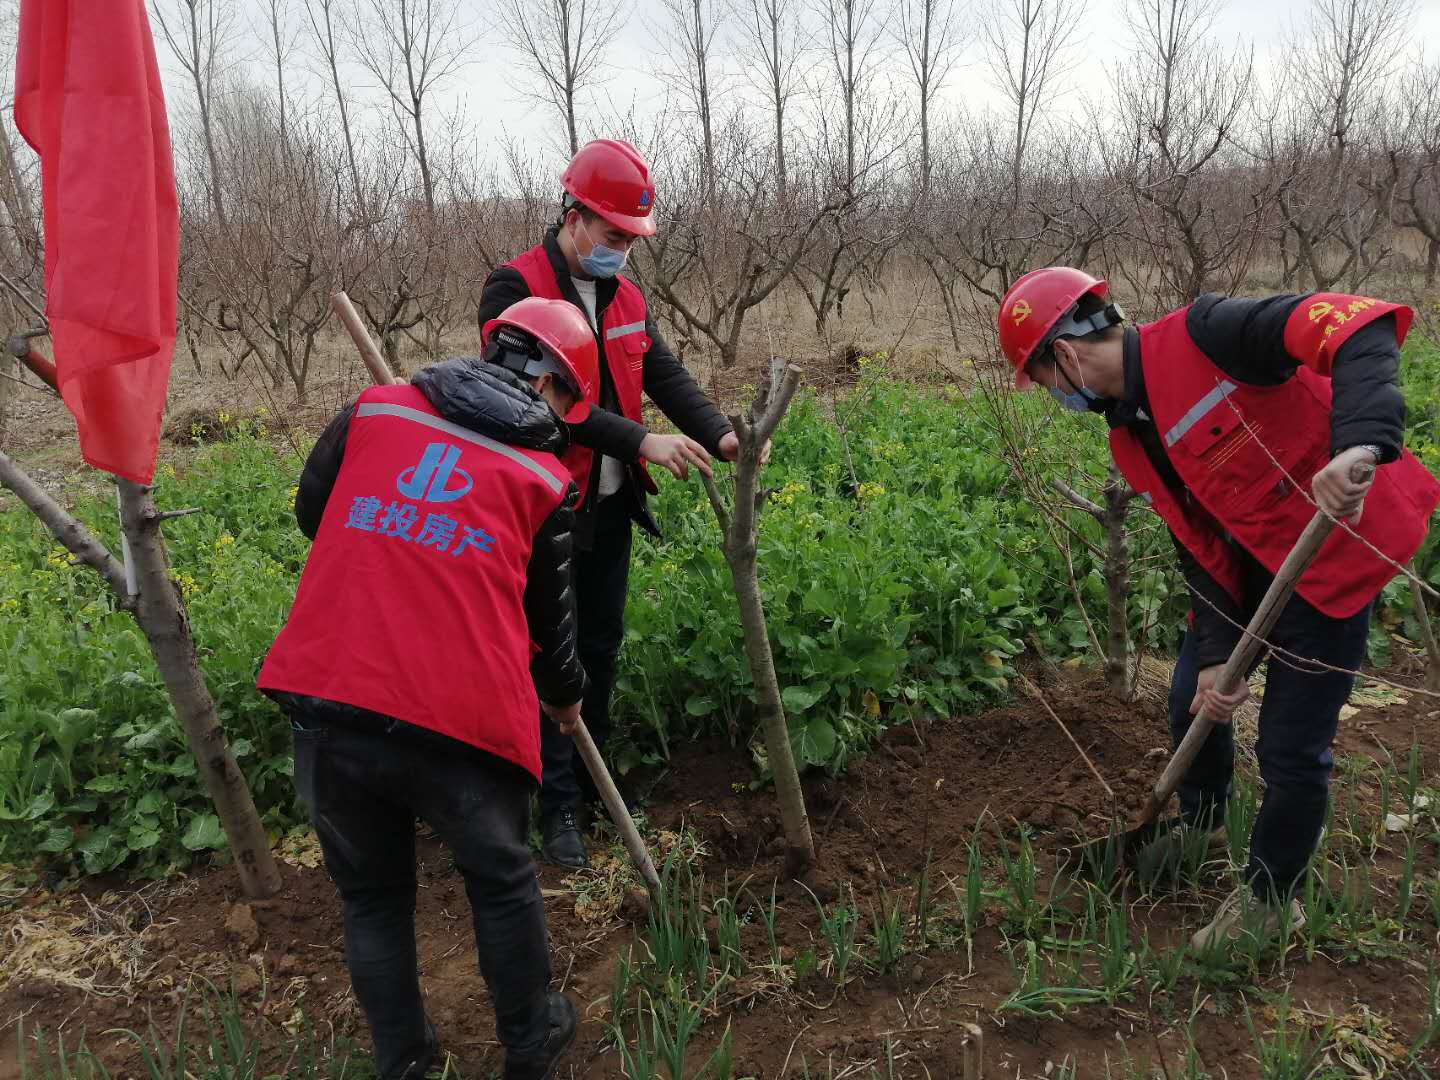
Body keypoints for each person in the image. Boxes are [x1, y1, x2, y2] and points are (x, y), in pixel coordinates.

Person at [996, 269, 1440, 949]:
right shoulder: (1129, 436)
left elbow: (1361, 324)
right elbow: (1197, 545)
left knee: (1290, 747)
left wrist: (1359, 444)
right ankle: (1202, 824)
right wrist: (1213, 656)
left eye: (1045, 380)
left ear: (1064, 355)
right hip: (1256, 563)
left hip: (1337, 552)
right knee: (1191, 697)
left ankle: (1270, 900)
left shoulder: (1210, 334)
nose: (1055, 396)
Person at [257, 298, 601, 1080]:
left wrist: (400, 537)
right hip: (459, 714)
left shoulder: (374, 411)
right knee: (501, 881)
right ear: (547, 384)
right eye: (568, 401)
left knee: (373, 898)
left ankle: (405, 1060)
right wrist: (566, 695)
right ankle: (530, 1043)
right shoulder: (541, 478)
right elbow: (549, 618)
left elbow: (317, 514)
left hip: (331, 693)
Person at [477, 139, 742, 868]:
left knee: (600, 643)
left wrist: (720, 433)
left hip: (611, 506)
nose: (621, 251)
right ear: (574, 217)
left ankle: (595, 783)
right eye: (612, 235)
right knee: (550, 653)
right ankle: (556, 804)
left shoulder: (624, 295)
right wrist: (640, 441)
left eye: (631, 240)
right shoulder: (515, 288)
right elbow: (537, 402)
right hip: (546, 508)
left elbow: (662, 371)